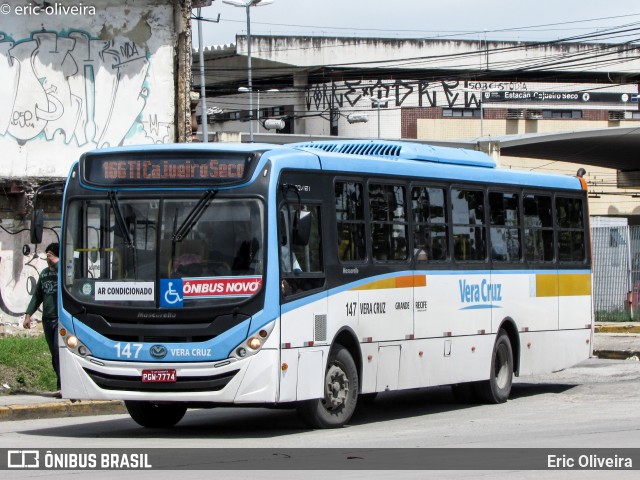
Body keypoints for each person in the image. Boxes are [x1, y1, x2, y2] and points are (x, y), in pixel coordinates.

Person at [23, 243, 61, 398]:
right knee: (54, 354)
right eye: (47, 255)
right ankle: (61, 383)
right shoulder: (44, 274)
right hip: (48, 319)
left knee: (59, 351)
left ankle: (63, 386)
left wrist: (58, 263)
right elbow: (37, 296)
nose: (48, 258)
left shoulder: (64, 272)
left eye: (51, 255)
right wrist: (28, 315)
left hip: (61, 320)